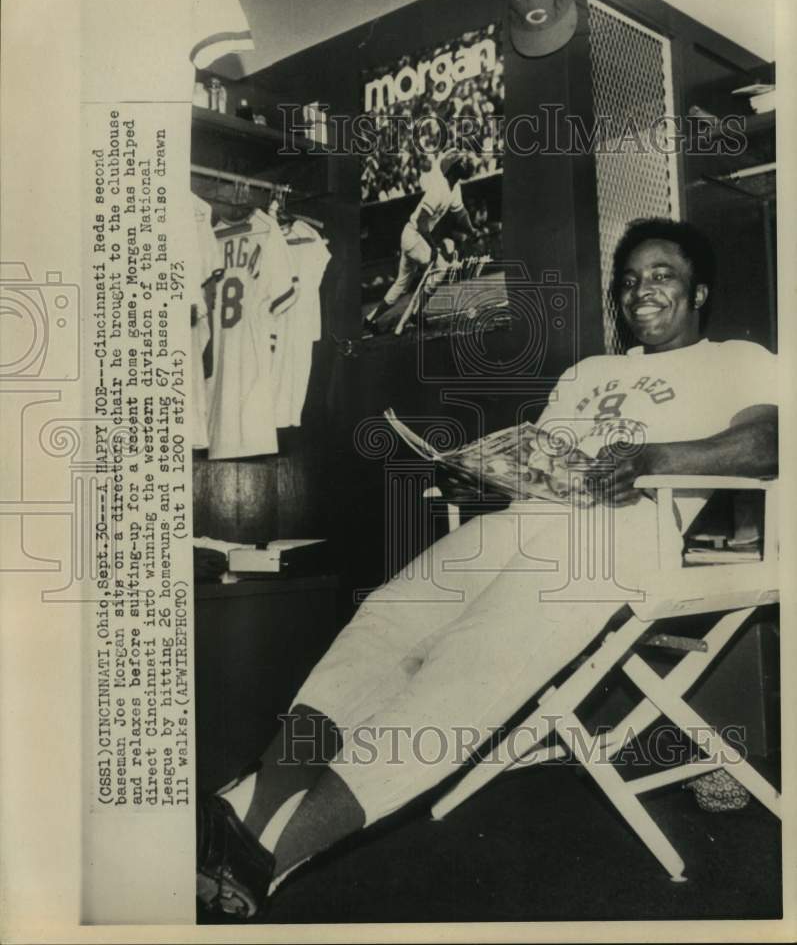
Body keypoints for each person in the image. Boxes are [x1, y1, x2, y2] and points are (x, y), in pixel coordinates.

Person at [197, 218, 778, 919]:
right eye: (629, 280)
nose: (640, 291)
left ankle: (280, 852)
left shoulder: (737, 358)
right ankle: (247, 807)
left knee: (467, 671)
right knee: (385, 620)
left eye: (661, 275)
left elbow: (765, 444)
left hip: (621, 539)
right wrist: (492, 471)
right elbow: (546, 458)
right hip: (523, 523)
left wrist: (656, 458)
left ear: (699, 290)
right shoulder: (587, 373)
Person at [363, 149, 479, 335]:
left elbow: (460, 213)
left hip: (414, 236)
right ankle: (416, 313)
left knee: (400, 285)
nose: (465, 166)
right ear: (453, 169)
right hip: (414, 236)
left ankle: (370, 319)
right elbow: (421, 221)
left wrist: (471, 230)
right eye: (461, 164)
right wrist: (433, 248)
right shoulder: (438, 188)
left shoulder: (454, 187)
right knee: (441, 267)